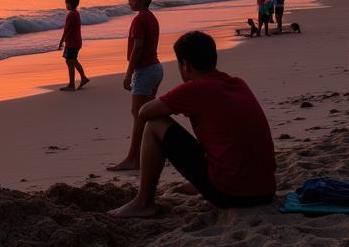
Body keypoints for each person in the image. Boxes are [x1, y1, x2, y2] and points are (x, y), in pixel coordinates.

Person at [107, 31, 276, 219]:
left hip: (232, 194)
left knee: (155, 124)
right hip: (266, 190)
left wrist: (174, 100)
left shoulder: (196, 88)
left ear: (185, 65)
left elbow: (144, 112)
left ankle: (143, 202)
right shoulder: (237, 83)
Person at [107, 0, 163, 172]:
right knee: (144, 116)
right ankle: (148, 155)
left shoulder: (139, 19)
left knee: (139, 116)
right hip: (155, 68)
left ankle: (133, 159)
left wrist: (128, 73)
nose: (128, 0)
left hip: (146, 70)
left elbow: (137, 48)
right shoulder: (151, 17)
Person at [57, 0, 89, 91]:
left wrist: (61, 41)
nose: (65, 5)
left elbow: (67, 30)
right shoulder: (76, 13)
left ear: (69, 4)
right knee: (69, 61)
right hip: (76, 42)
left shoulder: (71, 15)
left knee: (72, 60)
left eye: (66, 3)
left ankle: (83, 77)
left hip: (72, 43)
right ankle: (71, 84)